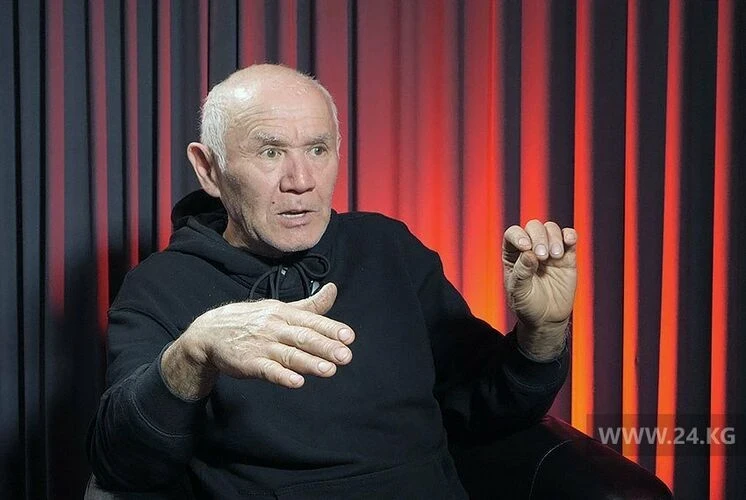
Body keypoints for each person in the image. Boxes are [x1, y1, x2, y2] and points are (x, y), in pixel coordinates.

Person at [87, 64, 576, 499]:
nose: (301, 180)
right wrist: (193, 354)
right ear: (209, 169)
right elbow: (122, 464)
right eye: (271, 152)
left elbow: (487, 407)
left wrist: (543, 333)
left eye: (317, 149)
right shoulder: (159, 286)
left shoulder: (389, 248)